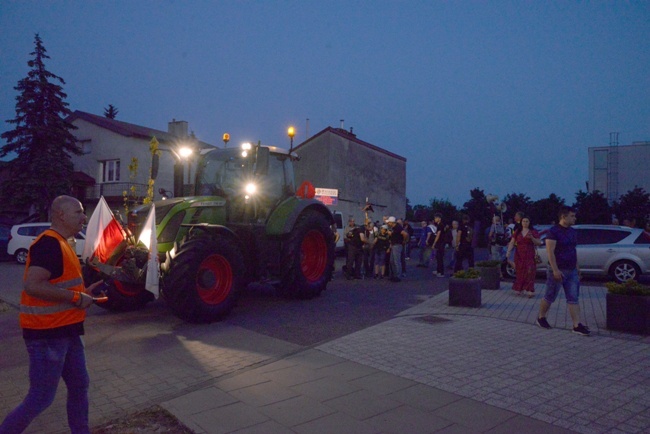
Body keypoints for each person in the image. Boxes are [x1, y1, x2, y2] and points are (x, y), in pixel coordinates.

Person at [0, 196, 102, 434]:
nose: (83, 217)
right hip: (47, 336)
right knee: (41, 398)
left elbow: (59, 285)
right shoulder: (49, 244)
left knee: (79, 387)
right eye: (78, 212)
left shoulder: (64, 242)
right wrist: (76, 298)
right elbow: (33, 286)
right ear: (60, 216)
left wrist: (81, 293)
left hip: (68, 331)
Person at [536, 207, 591, 336]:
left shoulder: (572, 232)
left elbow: (573, 250)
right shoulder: (553, 232)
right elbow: (550, 252)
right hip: (557, 270)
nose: (574, 218)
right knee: (550, 296)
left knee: (573, 297)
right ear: (563, 217)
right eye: (572, 216)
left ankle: (577, 325)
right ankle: (541, 317)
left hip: (571, 270)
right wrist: (555, 270)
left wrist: (577, 267)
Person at [506, 216, 542, 297]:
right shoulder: (517, 231)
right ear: (521, 222)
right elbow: (512, 242)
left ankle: (529, 290)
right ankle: (519, 288)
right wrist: (508, 251)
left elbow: (539, 242)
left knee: (530, 272)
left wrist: (532, 238)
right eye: (523, 221)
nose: (525, 223)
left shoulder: (533, 231)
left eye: (527, 221)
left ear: (529, 223)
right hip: (519, 254)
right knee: (520, 272)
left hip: (529, 254)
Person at [387, 216, 408, 282]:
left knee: (396, 261)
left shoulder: (398, 227)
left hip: (397, 245)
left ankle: (398, 276)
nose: (388, 224)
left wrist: (404, 241)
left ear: (392, 222)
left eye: (389, 222)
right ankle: (394, 275)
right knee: (392, 261)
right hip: (394, 244)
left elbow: (405, 234)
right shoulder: (393, 228)